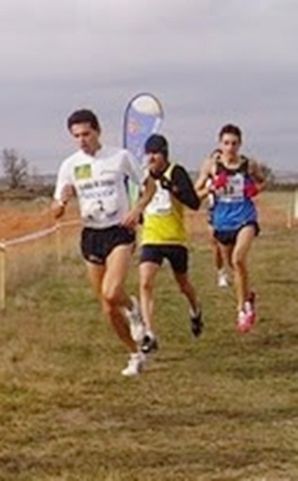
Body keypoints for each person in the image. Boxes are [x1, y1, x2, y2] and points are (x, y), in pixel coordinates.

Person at [52, 109, 156, 376]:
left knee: (112, 291)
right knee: (107, 306)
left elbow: (150, 186)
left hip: (119, 230)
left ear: (98, 131)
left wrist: (137, 209)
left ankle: (133, 310)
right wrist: (62, 201)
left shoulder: (119, 157)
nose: (82, 140)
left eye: (86, 133)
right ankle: (134, 354)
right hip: (91, 234)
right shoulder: (70, 165)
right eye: (76, 136)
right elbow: (55, 211)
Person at [195, 124, 266, 332]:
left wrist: (253, 189)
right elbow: (195, 193)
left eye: (234, 143)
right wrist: (212, 185)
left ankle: (242, 309)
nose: (230, 147)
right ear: (220, 144)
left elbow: (262, 183)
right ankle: (248, 296)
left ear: (240, 144)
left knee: (238, 259)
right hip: (222, 221)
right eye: (226, 143)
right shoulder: (211, 165)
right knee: (234, 268)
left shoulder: (248, 165)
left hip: (245, 218)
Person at [139, 134, 203, 354]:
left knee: (183, 285)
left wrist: (172, 188)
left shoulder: (176, 172)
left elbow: (194, 202)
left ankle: (195, 309)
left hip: (175, 239)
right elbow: (139, 203)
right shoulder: (142, 176)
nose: (152, 158)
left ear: (164, 154)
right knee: (145, 282)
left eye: (156, 153)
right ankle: (149, 334)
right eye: (149, 153)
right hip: (151, 237)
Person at [205, 149, 229, 288]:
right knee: (216, 245)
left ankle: (232, 268)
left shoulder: (229, 176)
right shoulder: (208, 179)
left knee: (228, 246)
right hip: (213, 212)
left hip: (229, 212)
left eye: (220, 158)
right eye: (215, 159)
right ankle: (221, 273)